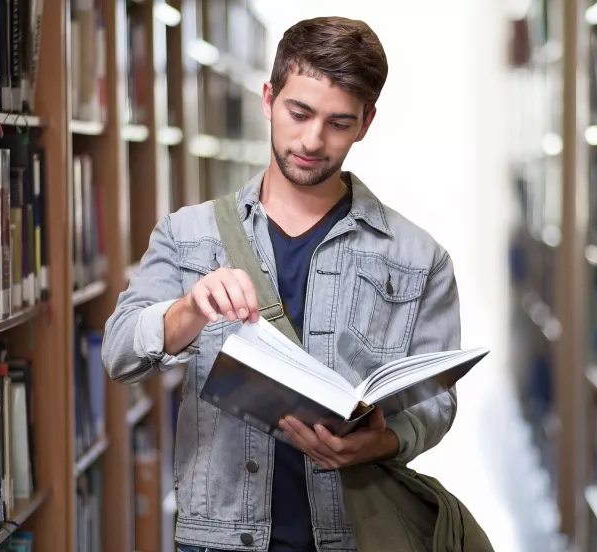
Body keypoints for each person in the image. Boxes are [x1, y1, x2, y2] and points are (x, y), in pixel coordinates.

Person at [102, 15, 461, 552]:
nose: (313, 140)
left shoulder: (419, 257)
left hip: (354, 536)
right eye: (299, 112)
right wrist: (189, 310)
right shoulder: (188, 234)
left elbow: (437, 403)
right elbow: (119, 353)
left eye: (339, 123)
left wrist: (382, 441)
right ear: (269, 98)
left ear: (366, 122)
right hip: (218, 539)